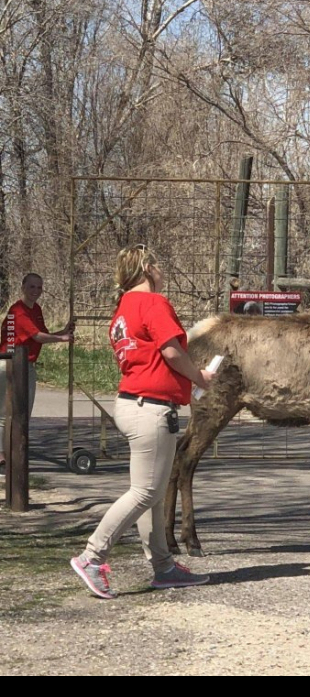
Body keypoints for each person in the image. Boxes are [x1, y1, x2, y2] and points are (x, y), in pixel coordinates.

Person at [70, 245, 216, 600]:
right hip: (150, 408)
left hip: (133, 403)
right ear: (148, 268)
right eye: (159, 265)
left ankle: (164, 568)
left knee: (150, 490)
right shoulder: (153, 303)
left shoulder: (122, 310)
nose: (162, 272)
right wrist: (199, 377)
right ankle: (92, 555)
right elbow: (170, 350)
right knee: (146, 491)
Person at [0, 273, 74, 475]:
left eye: (39, 287)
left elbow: (44, 334)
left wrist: (63, 331)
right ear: (23, 287)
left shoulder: (37, 310)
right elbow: (38, 337)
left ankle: (15, 452)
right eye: (32, 286)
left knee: (23, 412)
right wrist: (62, 339)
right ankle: (2, 456)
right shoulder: (18, 311)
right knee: (5, 413)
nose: (36, 291)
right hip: (10, 364)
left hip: (27, 366)